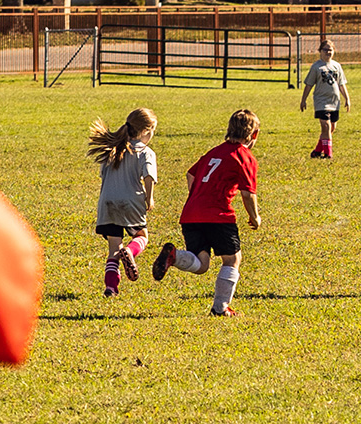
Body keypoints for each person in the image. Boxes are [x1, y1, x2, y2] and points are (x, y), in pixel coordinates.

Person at [152, 109, 261, 317]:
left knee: (201, 264)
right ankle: (220, 308)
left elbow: (191, 174)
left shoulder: (214, 152)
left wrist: (199, 196)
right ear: (254, 135)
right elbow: (248, 194)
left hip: (191, 214)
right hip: (218, 216)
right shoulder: (245, 157)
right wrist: (254, 217)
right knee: (232, 260)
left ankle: (174, 257)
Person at [87, 108, 158, 298]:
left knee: (113, 249)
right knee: (142, 235)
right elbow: (149, 176)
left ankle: (111, 288)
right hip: (131, 200)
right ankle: (130, 251)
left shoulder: (112, 149)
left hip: (107, 202)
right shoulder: (145, 152)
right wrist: (149, 197)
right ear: (145, 131)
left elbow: (103, 175)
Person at [299, 39, 350, 158]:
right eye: (325, 50)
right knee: (326, 126)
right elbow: (309, 85)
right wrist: (303, 100)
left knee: (332, 128)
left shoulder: (337, 66)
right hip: (321, 102)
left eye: (330, 50)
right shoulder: (316, 67)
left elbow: (341, 84)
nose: (328, 52)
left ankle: (317, 150)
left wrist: (347, 99)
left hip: (334, 102)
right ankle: (328, 153)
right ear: (320, 51)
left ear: (334, 51)